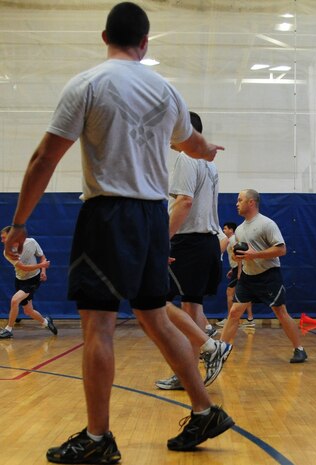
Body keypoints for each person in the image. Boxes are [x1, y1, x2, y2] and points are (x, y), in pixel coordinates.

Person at [2, 3, 233, 462]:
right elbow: (195, 144)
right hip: (151, 220)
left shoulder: (88, 83)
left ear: (104, 35)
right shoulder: (166, 90)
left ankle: (97, 437)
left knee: (99, 325)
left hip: (108, 216)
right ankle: (205, 409)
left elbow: (45, 158)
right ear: (145, 44)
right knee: (155, 316)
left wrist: (20, 222)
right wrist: (207, 149)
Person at [156, 111, 232, 391]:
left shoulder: (187, 158)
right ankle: (188, 373)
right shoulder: (209, 165)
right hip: (206, 244)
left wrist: (163, 241)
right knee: (191, 309)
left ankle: (212, 346)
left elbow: (185, 203)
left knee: (155, 301)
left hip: (189, 243)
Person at [219, 189, 308, 363]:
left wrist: (255, 255)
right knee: (235, 312)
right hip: (247, 276)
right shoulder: (240, 229)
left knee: (281, 312)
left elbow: (281, 249)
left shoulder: (267, 224)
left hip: (268, 276)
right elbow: (242, 255)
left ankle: (299, 349)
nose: (236, 204)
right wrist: (239, 259)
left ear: (251, 202)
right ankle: (220, 349)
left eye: (240, 200)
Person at [0, 226, 57, 339]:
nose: (2, 241)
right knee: (28, 311)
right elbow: (23, 267)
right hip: (20, 279)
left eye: (3, 238)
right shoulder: (7, 252)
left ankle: (8, 330)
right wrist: (42, 266)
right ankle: (46, 322)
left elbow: (42, 256)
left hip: (33, 280)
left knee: (15, 300)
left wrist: (43, 271)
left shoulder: (31, 242)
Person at [221, 221, 254, 328]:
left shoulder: (233, 241)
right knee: (244, 294)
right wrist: (232, 269)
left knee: (230, 292)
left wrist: (239, 271)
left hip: (240, 269)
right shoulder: (231, 240)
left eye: (225, 228)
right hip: (236, 269)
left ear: (231, 230)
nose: (223, 230)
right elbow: (234, 257)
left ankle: (230, 320)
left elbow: (240, 256)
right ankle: (250, 319)